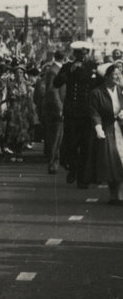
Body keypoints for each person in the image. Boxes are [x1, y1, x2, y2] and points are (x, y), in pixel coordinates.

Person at [54, 41, 98, 188]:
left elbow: (99, 85)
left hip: (87, 111)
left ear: (87, 54)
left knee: (86, 145)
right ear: (74, 54)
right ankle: (73, 168)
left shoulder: (93, 67)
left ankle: (82, 178)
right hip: (72, 111)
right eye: (79, 54)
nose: (81, 57)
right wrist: (69, 72)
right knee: (71, 144)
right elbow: (56, 83)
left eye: (84, 54)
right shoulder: (67, 67)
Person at [84, 63, 123, 204]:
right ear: (106, 77)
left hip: (120, 128)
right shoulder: (97, 93)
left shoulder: (120, 90)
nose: (117, 77)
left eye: (119, 74)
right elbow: (94, 112)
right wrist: (98, 128)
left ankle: (120, 194)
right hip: (107, 129)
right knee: (112, 163)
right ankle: (114, 195)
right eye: (114, 74)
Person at [40, 52, 66, 174]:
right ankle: (53, 164)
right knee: (55, 137)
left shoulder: (55, 69)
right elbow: (52, 91)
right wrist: (60, 108)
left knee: (57, 137)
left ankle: (55, 162)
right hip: (54, 109)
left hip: (56, 107)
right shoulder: (54, 71)